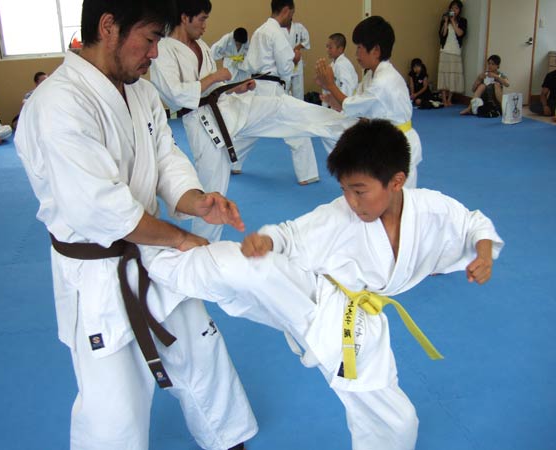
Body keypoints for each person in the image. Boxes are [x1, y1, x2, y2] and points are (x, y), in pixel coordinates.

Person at [139, 119, 504, 450]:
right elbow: (290, 234)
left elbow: (474, 223)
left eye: (359, 191)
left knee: (397, 419)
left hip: (356, 321)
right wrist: (267, 240)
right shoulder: (339, 215)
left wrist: (484, 255)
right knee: (249, 266)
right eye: (344, 190)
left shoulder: (431, 208)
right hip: (315, 291)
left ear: (397, 182)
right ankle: (160, 263)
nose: (351, 202)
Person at [14, 1, 258, 449]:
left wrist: (197, 201)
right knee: (116, 407)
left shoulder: (141, 92)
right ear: (109, 27)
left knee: (200, 346)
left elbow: (165, 158)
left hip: (150, 248)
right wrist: (181, 237)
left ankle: (227, 438)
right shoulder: (58, 105)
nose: (155, 53)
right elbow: (101, 210)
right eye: (149, 39)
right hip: (97, 272)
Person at [151, 0, 352, 242]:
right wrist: (215, 77)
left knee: (281, 107)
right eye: (202, 19)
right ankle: (202, 248)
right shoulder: (164, 50)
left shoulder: (201, 45)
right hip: (202, 125)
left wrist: (234, 87)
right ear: (185, 18)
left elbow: (213, 87)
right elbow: (176, 95)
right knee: (212, 195)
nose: (205, 25)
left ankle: (348, 125)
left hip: (230, 107)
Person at [315, 16, 423, 188]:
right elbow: (354, 105)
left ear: (376, 50)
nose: (356, 54)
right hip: (381, 139)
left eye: (359, 48)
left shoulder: (384, 81)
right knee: (330, 130)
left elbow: (350, 105)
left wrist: (330, 85)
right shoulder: (371, 75)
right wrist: (330, 96)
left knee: (401, 196)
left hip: (399, 144)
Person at [243, 0, 320, 185]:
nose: (291, 18)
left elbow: (250, 63)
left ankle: (232, 162)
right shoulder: (276, 32)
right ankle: (307, 174)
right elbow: (285, 68)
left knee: (249, 128)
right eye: (292, 14)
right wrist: (295, 60)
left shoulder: (260, 31)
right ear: (286, 10)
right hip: (272, 90)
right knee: (297, 128)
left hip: (257, 87)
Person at [437, 0, 467, 106]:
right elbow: (442, 34)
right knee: (444, 75)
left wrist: (453, 21)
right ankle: (444, 99)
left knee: (453, 76)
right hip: (445, 50)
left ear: (459, 10)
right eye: (452, 8)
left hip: (455, 51)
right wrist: (446, 22)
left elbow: (460, 33)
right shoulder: (445, 19)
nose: (454, 10)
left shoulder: (462, 21)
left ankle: (449, 99)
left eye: (456, 8)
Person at [320, 33, 359, 108]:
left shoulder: (342, 65)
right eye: (327, 47)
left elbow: (346, 90)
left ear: (340, 49)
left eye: (330, 48)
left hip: (345, 105)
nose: (327, 50)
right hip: (335, 104)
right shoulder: (333, 65)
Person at [285, 20, 310, 101]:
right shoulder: (279, 29)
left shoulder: (299, 27)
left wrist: (298, 47)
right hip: (285, 61)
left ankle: (299, 105)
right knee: (284, 88)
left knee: (298, 90)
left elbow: (306, 40)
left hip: (297, 60)